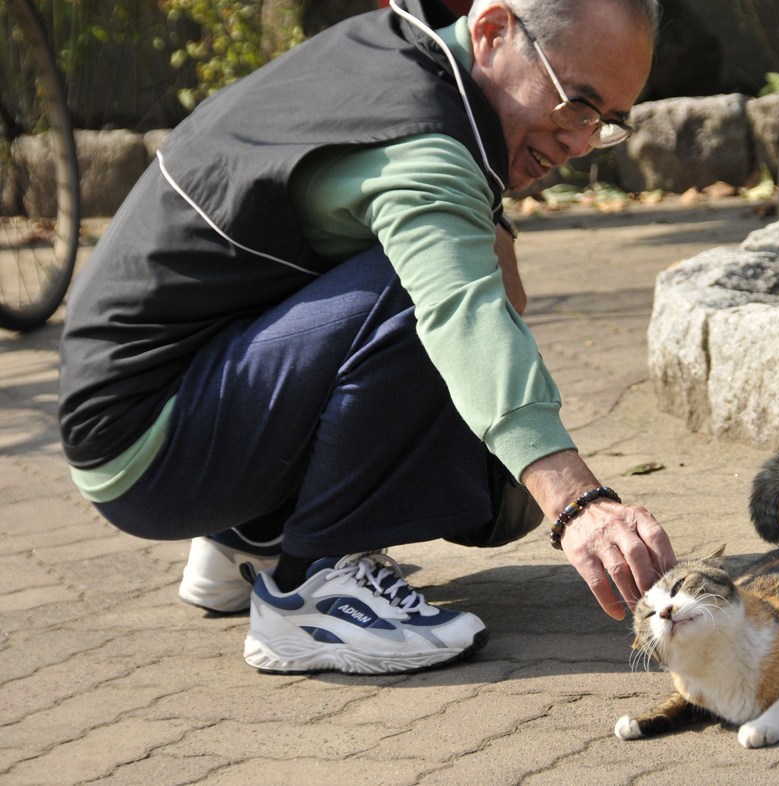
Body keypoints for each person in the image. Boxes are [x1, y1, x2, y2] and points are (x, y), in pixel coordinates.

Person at [57, 0, 676, 675]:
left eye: (606, 122)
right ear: (493, 33)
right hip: (151, 446)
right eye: (576, 104)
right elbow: (466, 314)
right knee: (420, 296)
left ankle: (251, 538)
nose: (581, 143)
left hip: (160, 408)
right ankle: (309, 588)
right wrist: (577, 504)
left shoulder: (396, 56)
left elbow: (504, 289)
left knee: (460, 370)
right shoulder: (424, 141)